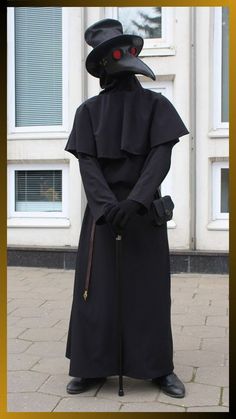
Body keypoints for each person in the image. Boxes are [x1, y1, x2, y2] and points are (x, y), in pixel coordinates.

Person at [64, 18, 189, 398]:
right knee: (96, 293)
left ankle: (157, 367)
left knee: (149, 293)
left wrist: (135, 200)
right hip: (103, 218)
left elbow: (160, 157)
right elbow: (88, 165)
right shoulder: (87, 112)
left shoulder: (157, 105)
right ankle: (91, 366)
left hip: (143, 214)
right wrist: (107, 206)